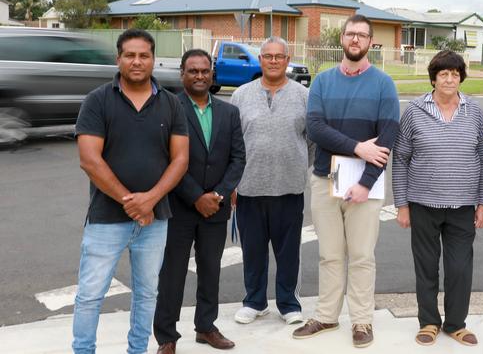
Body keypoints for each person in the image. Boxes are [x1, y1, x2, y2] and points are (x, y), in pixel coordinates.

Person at [73, 28, 189, 354]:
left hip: (156, 219)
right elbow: (89, 160)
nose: (137, 61)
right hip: (106, 218)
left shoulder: (170, 103)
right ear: (119, 59)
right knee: (91, 294)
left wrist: (150, 200)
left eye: (144, 55)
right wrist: (132, 202)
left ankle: (137, 350)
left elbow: (180, 160)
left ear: (153, 59)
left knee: (147, 293)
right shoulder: (98, 100)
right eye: (130, 55)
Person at [292, 14, 400, 348]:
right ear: (342, 38)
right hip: (325, 179)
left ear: (370, 42)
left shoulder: (383, 84)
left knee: (362, 256)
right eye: (350, 34)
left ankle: (362, 321)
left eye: (362, 35)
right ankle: (326, 315)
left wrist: (366, 182)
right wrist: (357, 147)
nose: (355, 40)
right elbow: (316, 128)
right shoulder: (323, 82)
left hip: (364, 186)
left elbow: (388, 135)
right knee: (330, 255)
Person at [392, 50, 483, 347]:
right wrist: (402, 204)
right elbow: (400, 159)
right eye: (443, 74)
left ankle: (456, 323)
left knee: (460, 268)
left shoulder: (474, 111)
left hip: (463, 206)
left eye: (455, 74)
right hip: (422, 204)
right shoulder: (413, 111)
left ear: (461, 77)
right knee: (426, 266)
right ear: (433, 78)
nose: (449, 79)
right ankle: (429, 322)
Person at [153, 49, 246, 354]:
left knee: (210, 270)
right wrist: (195, 197)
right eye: (193, 71)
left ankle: (206, 327)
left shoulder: (229, 112)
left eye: (205, 71)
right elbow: (165, 159)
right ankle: (166, 337)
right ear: (182, 74)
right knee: (173, 274)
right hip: (179, 207)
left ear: (212, 74)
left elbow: (238, 158)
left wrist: (218, 195)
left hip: (215, 209)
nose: (200, 76)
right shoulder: (167, 107)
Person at [230, 36, 311, 326]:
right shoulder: (241, 95)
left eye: (279, 56)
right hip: (249, 189)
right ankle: (255, 302)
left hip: (289, 188)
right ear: (260, 60)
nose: (273, 61)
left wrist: (300, 168)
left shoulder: (303, 96)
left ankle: (288, 304)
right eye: (268, 56)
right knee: (252, 251)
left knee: (288, 253)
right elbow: (232, 142)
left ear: (288, 61)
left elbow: (311, 141)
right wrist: (232, 184)